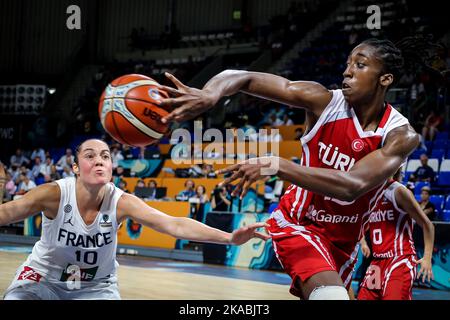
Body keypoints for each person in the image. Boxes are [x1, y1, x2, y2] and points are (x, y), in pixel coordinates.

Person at [158, 38, 422, 300]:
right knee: (331, 296)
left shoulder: (401, 135)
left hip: (344, 243)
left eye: (360, 65)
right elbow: (241, 77)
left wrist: (277, 164)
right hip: (299, 223)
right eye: (348, 63)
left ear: (385, 79)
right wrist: (209, 93)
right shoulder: (323, 101)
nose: (347, 71)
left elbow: (351, 186)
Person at [0, 139, 269, 300]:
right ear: (75, 167)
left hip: (95, 287)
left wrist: (229, 238)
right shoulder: (54, 194)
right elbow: (8, 212)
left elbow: (174, 224)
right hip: (42, 278)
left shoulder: (122, 202)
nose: (99, 161)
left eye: (105, 156)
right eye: (90, 156)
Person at [357, 170, 434, 300]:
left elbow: (428, 225)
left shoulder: (397, 191)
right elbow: (361, 224)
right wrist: (363, 242)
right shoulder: (370, 194)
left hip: (399, 260)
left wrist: (427, 257)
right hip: (377, 262)